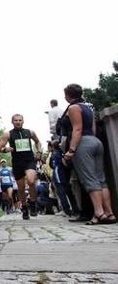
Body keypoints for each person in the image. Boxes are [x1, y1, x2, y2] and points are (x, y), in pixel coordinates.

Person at [60, 84, 115, 224]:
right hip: (95, 141)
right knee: (101, 180)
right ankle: (109, 213)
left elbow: (77, 129)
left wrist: (71, 150)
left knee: (89, 180)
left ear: (68, 95)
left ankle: (98, 213)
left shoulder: (73, 108)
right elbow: (93, 127)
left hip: (83, 143)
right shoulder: (88, 107)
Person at [0, 114, 42, 220]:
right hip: (17, 162)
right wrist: (3, 150)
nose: (18, 122)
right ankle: (24, 207)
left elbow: (37, 142)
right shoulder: (8, 134)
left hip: (29, 161)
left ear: (23, 121)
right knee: (20, 187)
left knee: (31, 181)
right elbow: (1, 146)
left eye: (20, 120)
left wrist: (39, 151)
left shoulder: (30, 132)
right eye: (16, 120)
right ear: (12, 122)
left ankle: (33, 203)